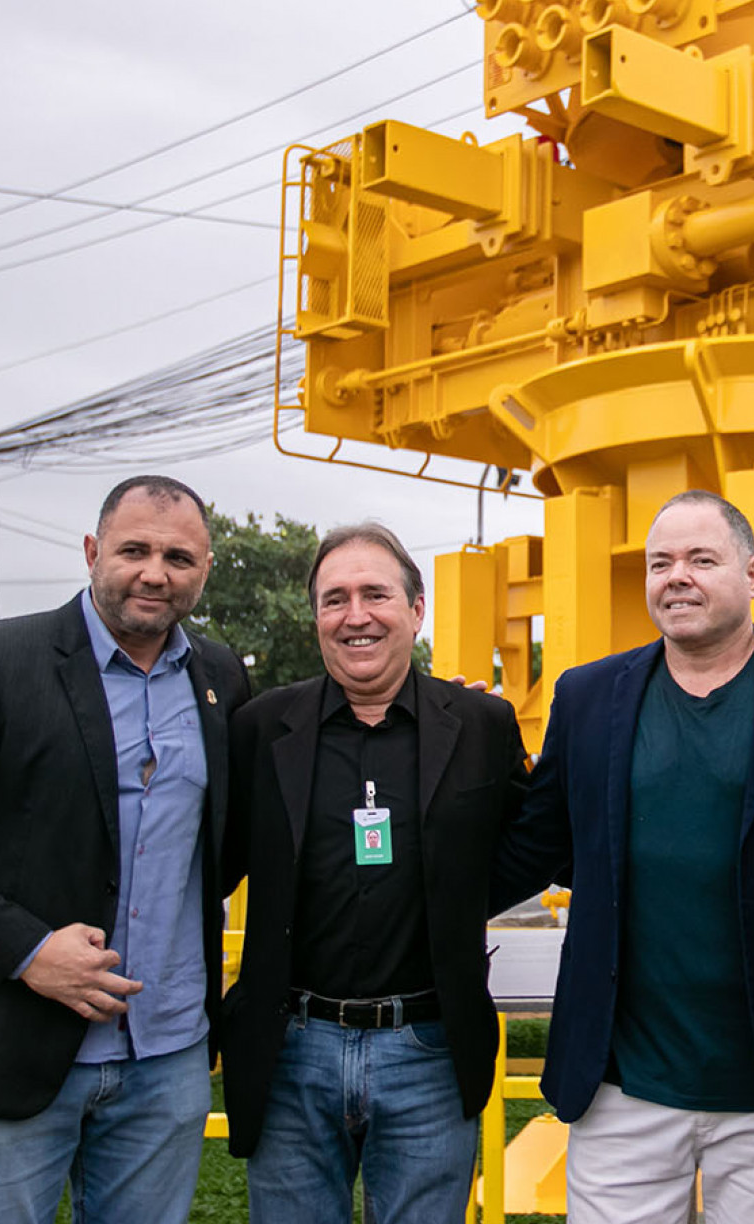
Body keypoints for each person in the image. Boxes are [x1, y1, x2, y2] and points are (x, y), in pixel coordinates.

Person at [0, 476, 250, 1224]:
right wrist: (29, 950)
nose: (154, 573)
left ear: (203, 570)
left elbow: (243, 822)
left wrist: (440, 712)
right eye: (134, 550)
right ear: (92, 551)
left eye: (179, 557)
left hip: (166, 1061)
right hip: (9, 1050)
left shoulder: (219, 677)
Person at [488, 490, 754, 1224]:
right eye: (660, 562)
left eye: (701, 558)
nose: (676, 576)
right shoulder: (589, 695)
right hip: (622, 1085)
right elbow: (538, 844)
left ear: (753, 574)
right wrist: (454, 749)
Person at [218, 521, 529, 1224]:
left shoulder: (481, 723)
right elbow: (213, 859)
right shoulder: (260, 728)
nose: (355, 616)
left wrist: (458, 898)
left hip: (428, 1049)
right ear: (316, 617)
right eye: (335, 599)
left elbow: (527, 840)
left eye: (375, 595)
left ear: (417, 611)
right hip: (291, 1048)